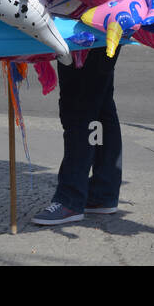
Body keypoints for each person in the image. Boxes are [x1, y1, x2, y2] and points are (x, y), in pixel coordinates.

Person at [31, 47, 123, 225]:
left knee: (79, 105)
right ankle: (102, 192)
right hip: (104, 27)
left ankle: (70, 199)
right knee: (100, 104)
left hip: (85, 29)